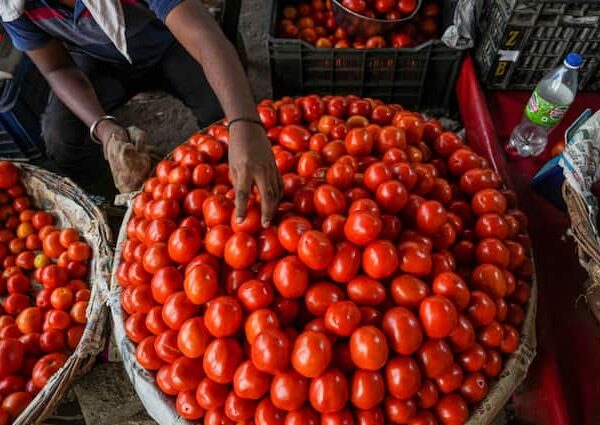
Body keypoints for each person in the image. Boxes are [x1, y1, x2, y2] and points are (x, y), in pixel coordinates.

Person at [0, 0, 282, 226]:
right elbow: (56, 68)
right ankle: (117, 213)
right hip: (99, 59)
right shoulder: (16, 6)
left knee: (222, 115)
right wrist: (103, 127)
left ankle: (231, 195)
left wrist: (244, 122)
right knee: (62, 138)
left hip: (169, 41)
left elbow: (203, 35)